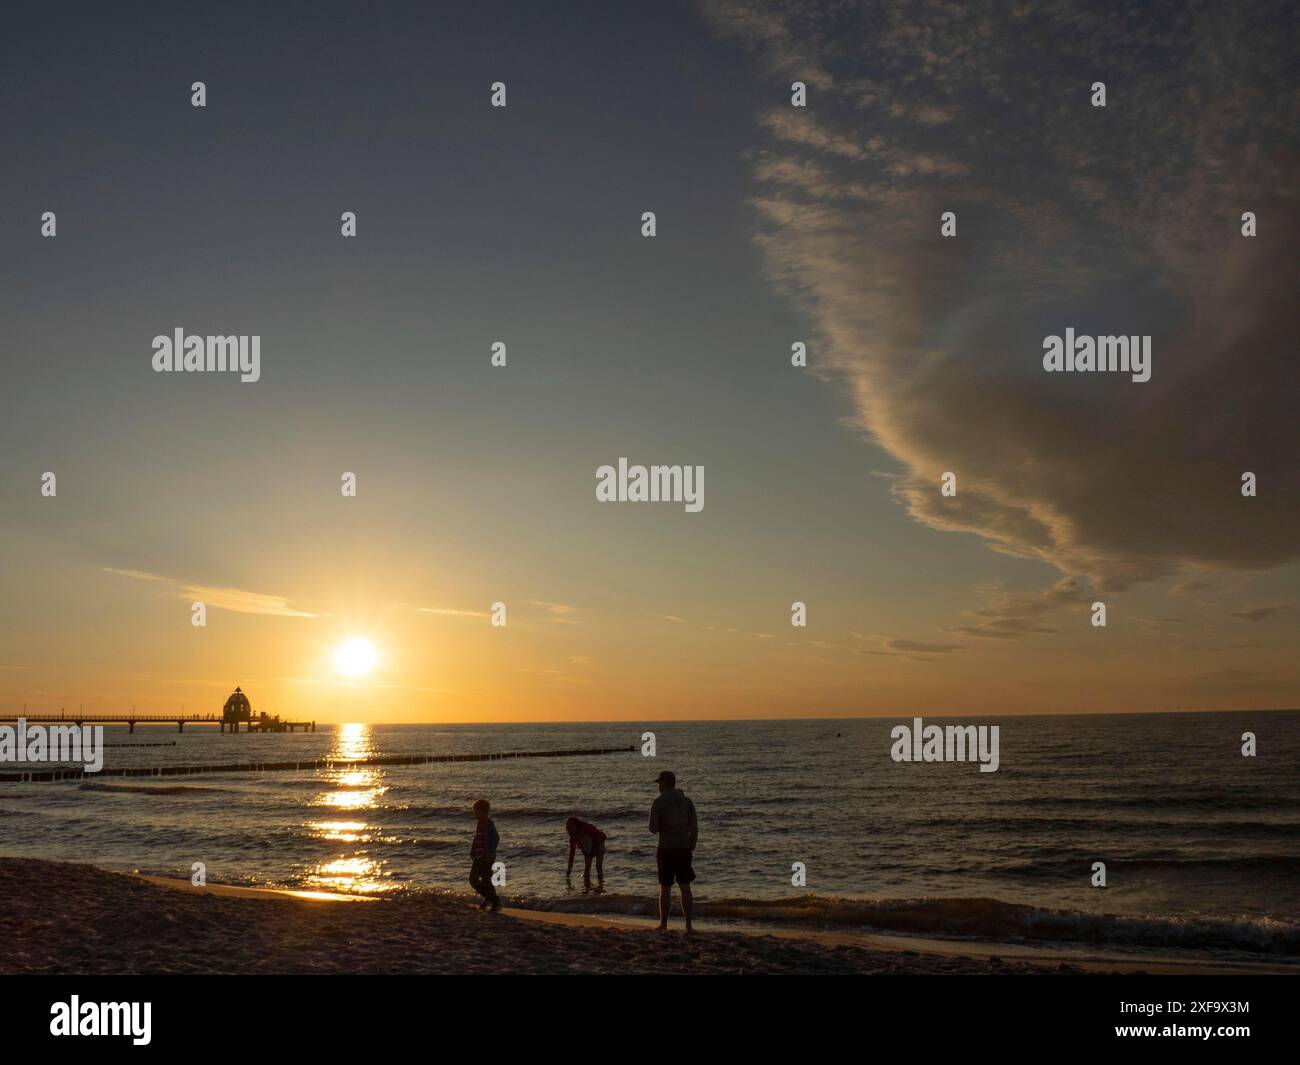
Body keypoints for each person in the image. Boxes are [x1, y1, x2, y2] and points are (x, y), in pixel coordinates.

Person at [648, 770, 697, 933]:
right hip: (684, 848)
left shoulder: (659, 802)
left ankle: (664, 924)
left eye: (659, 783)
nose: (658, 787)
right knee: (685, 887)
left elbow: (653, 829)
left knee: (665, 887)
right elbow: (694, 828)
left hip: (666, 848)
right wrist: (692, 847)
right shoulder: (687, 801)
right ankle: (689, 925)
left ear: (665, 784)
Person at [469, 798, 501, 912]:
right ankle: (490, 898)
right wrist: (472, 851)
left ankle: (495, 901)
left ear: (483, 812)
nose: (475, 814)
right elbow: (477, 838)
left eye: (476, 812)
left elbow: (496, 838)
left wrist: (490, 852)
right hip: (478, 857)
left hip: (486, 858)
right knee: (478, 880)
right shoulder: (480, 823)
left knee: (480, 880)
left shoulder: (489, 823)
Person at [565, 816, 607, 890]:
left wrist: (594, 847)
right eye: (569, 826)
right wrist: (569, 869)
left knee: (598, 867)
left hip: (599, 844)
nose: (571, 827)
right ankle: (587, 886)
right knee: (587, 869)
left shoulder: (586, 827)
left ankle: (601, 886)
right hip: (587, 850)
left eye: (572, 825)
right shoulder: (573, 838)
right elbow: (572, 854)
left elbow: (603, 835)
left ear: (576, 824)